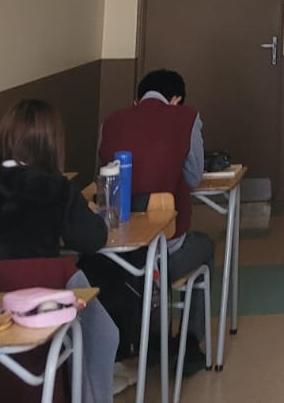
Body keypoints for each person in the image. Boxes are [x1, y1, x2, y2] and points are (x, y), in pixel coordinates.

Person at [0, 100, 118, 403]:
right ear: (51, 143)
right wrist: (92, 212)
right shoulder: (54, 186)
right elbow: (92, 239)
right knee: (104, 334)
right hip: (40, 301)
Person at [96, 68, 215, 372]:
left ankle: (145, 339)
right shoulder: (187, 117)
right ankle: (190, 343)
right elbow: (193, 176)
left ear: (138, 100)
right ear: (175, 100)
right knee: (205, 247)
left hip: (116, 254)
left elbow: (104, 180)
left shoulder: (111, 122)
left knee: (141, 263)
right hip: (166, 250)